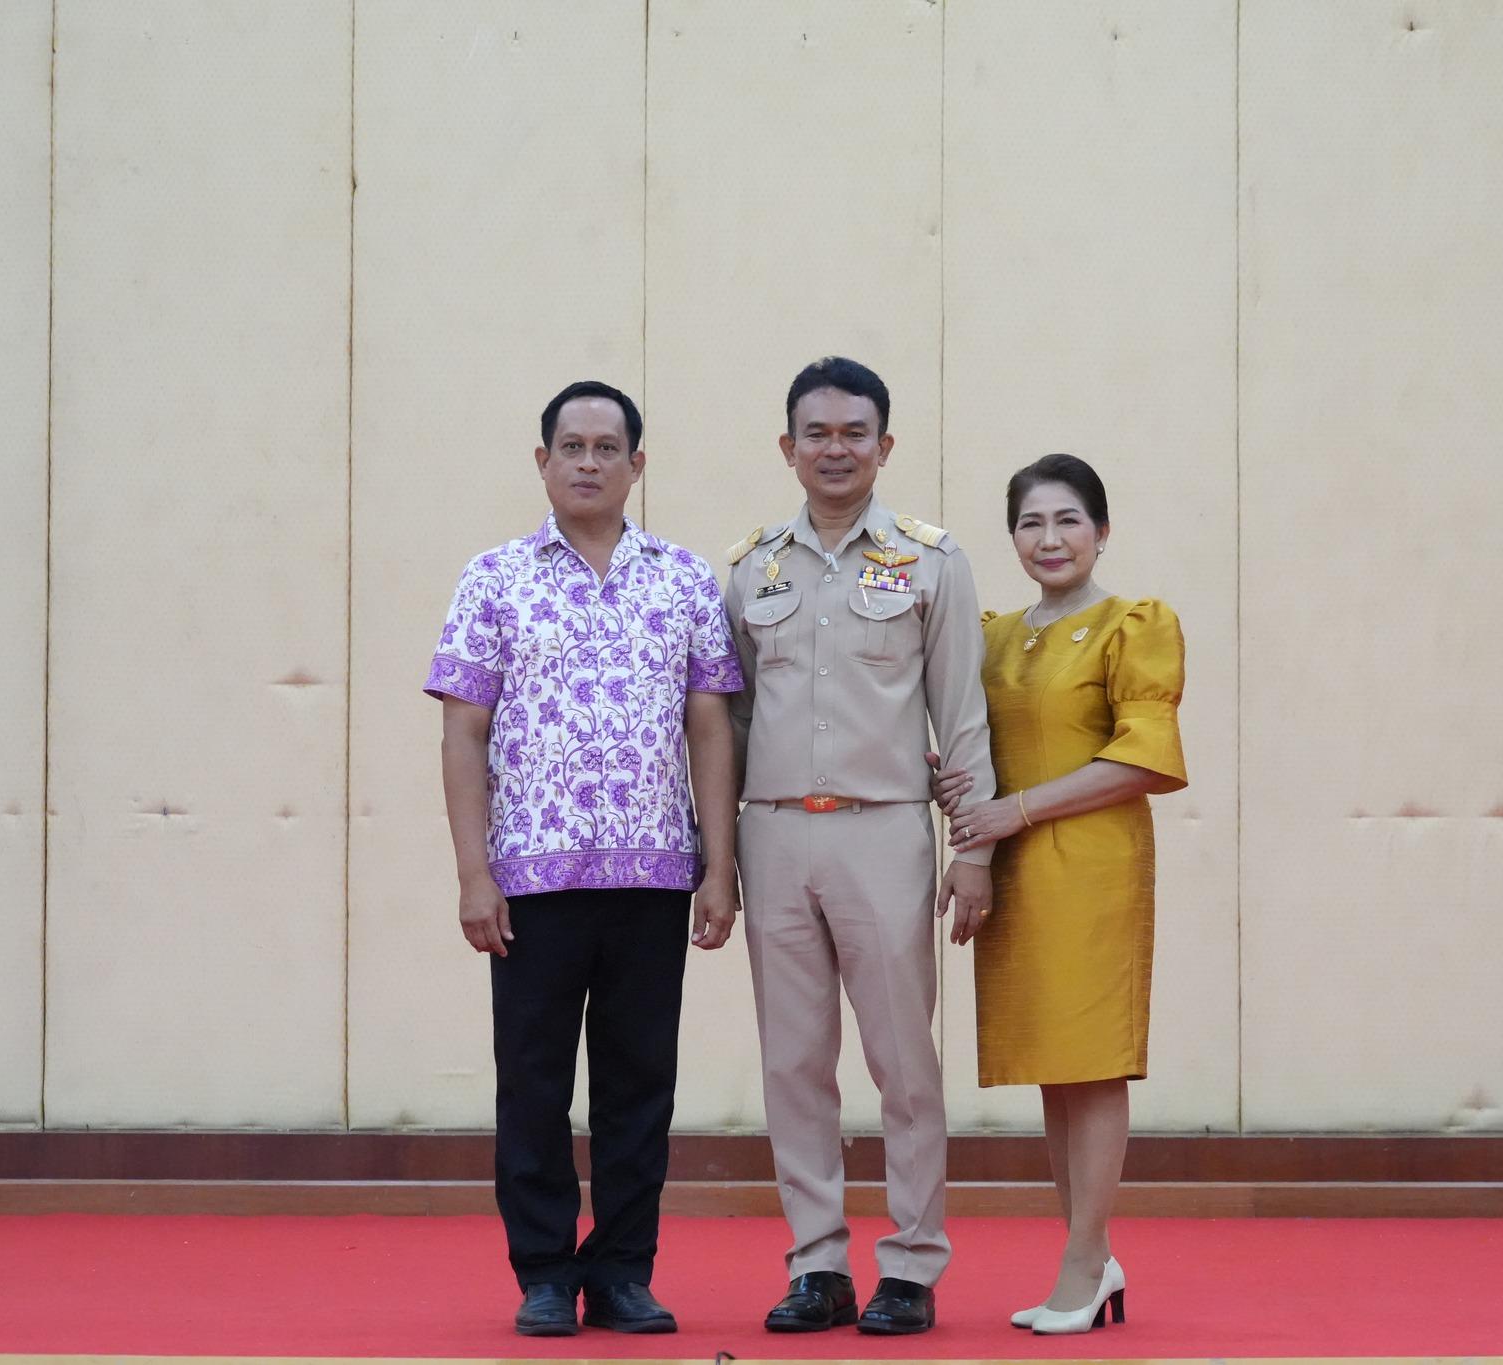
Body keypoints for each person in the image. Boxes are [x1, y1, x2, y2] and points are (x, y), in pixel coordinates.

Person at [425, 380, 743, 1338]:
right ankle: (544, 1272)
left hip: (654, 878)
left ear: (637, 464)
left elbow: (710, 725)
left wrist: (719, 864)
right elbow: (463, 732)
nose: (590, 462)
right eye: (572, 446)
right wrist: (473, 873)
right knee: (532, 1084)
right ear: (544, 461)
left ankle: (623, 1272)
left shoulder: (684, 578)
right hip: (532, 881)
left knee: (639, 1084)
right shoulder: (494, 577)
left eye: (609, 447)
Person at [723, 356, 996, 1336]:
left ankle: (912, 1264)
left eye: (853, 433)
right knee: (793, 1064)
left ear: (884, 445)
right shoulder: (750, 568)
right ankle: (818, 1265)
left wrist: (974, 848)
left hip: (885, 832)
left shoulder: (931, 561)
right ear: (787, 446)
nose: (833, 449)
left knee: (902, 1062)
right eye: (816, 433)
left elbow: (961, 715)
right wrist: (718, 861)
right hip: (773, 834)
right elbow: (728, 722)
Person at [927, 452, 1187, 1337]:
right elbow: (976, 743)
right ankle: (1087, 1252)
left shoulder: (1132, 625)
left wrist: (1017, 809)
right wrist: (952, 788)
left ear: (1102, 531)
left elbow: (1142, 758)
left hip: (1093, 862)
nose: (1050, 538)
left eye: (1069, 519)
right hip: (1017, 867)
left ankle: (1087, 1255)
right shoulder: (997, 635)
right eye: (1031, 523)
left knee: (1094, 1059)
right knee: (1055, 1067)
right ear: (1013, 538)